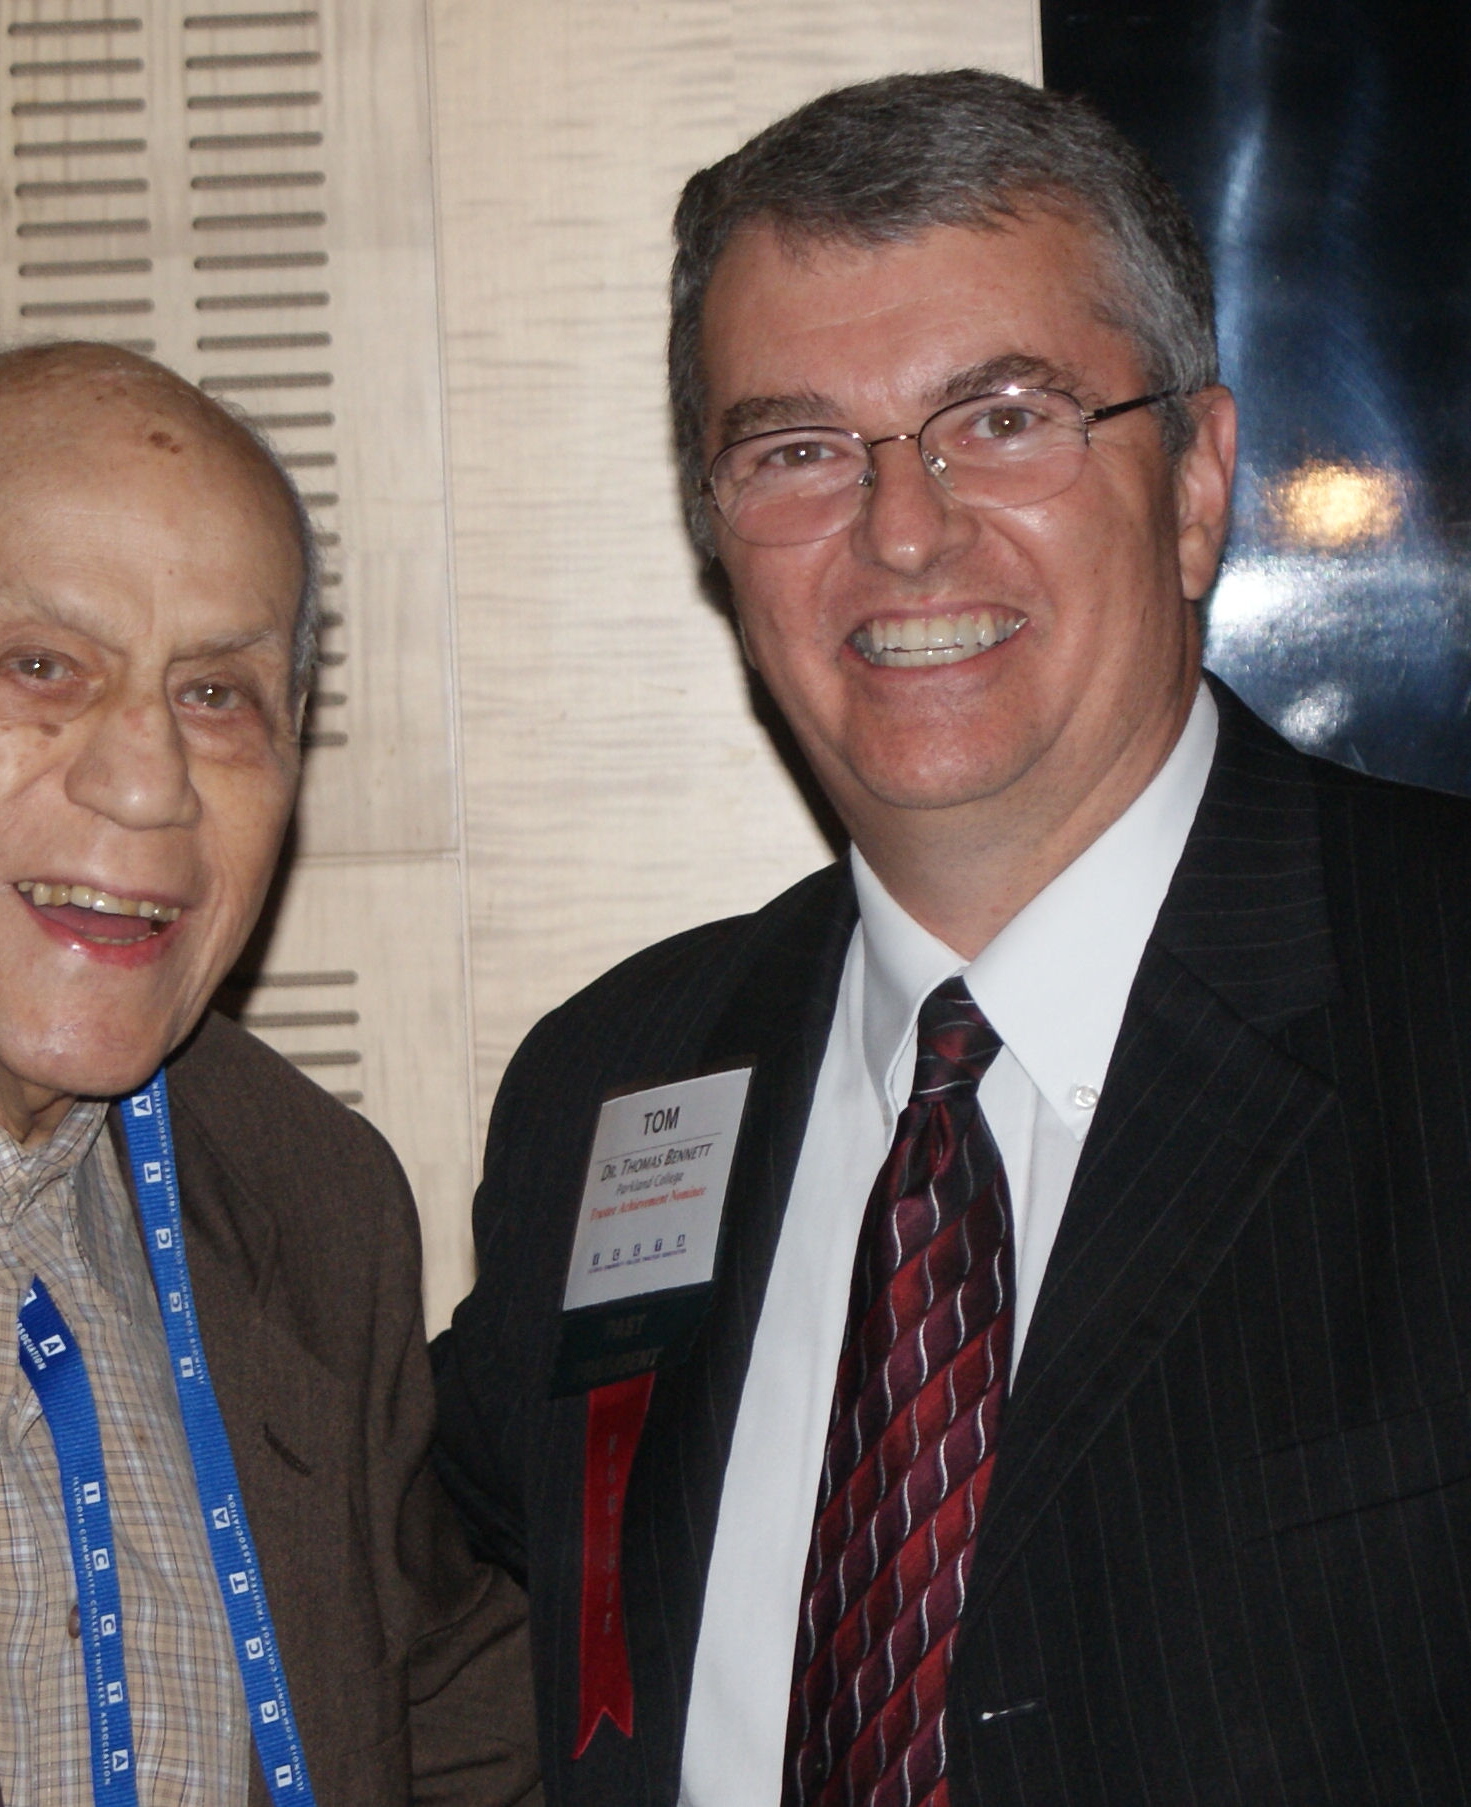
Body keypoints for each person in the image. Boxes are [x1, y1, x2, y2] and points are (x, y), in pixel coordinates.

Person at [429, 69, 1471, 1807]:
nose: (899, 530)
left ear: (1198, 480)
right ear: (718, 543)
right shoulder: (611, 1089)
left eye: (1002, 417)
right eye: (796, 450)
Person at [0, 339, 539, 1806]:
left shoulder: (309, 1205)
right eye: (40, 667)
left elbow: (450, 1731)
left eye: (218, 696)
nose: (145, 781)